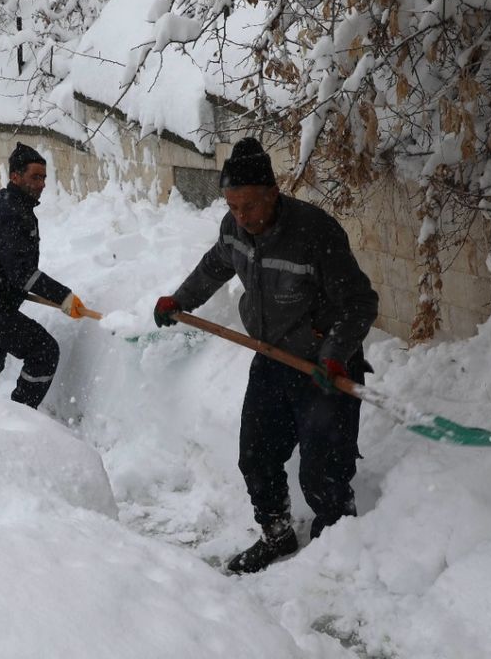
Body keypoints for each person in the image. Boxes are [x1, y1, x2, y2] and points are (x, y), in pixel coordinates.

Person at [153, 137, 379, 574]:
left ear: (273, 193)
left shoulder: (315, 233)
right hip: (272, 357)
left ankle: (333, 554)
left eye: (250, 206)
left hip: (322, 366)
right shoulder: (234, 228)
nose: (241, 217)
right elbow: (214, 266)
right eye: (233, 206)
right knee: (256, 455)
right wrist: (179, 300)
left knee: (323, 470)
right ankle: (276, 534)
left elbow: (360, 303)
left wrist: (334, 354)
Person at [0, 142, 90, 408]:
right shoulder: (10, 214)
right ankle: (21, 416)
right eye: (35, 177)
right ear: (15, 176)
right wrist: (63, 297)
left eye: (43, 178)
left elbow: (8, 267)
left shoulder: (4, 202)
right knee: (43, 351)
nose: (41, 184)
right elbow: (22, 274)